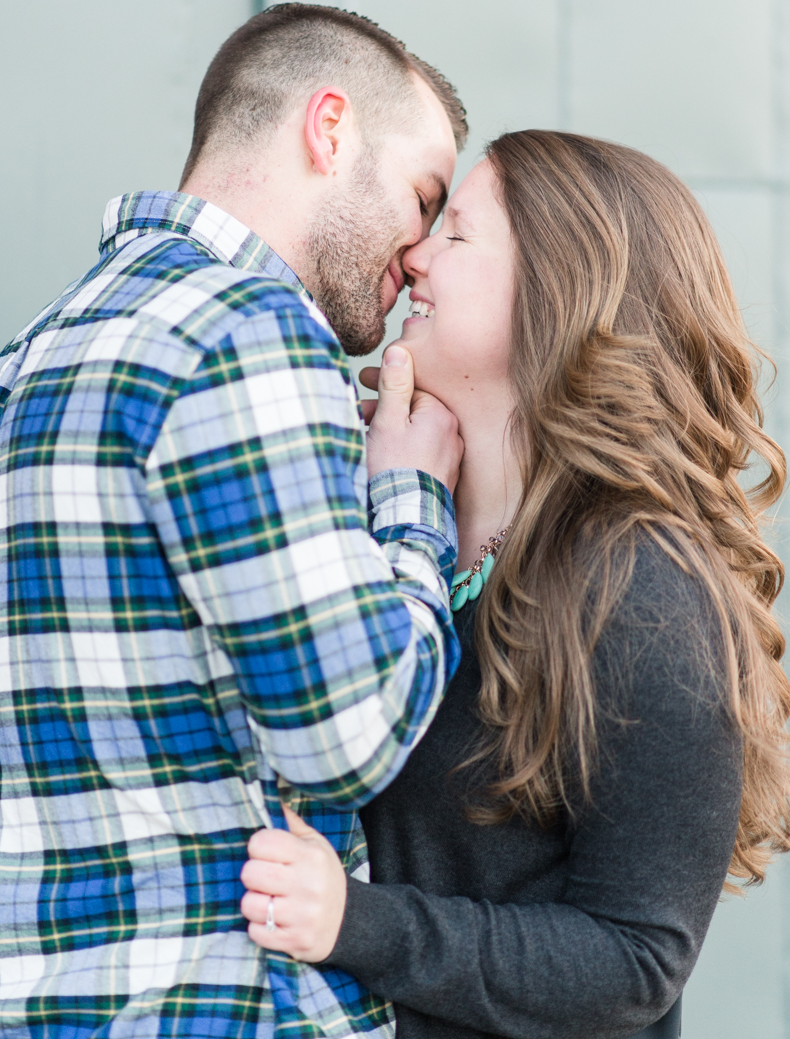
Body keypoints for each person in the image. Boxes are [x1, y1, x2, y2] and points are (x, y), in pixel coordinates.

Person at [240, 131, 790, 1039]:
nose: (413, 253)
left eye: (456, 235)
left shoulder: (644, 586)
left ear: (560, 288)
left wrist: (354, 923)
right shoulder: (389, 521)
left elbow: (635, 959)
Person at [0, 4, 469, 1037]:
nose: (422, 253)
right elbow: (348, 733)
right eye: (423, 198)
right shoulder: (248, 333)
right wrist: (411, 496)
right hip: (227, 1005)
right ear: (327, 129)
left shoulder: (31, 353)